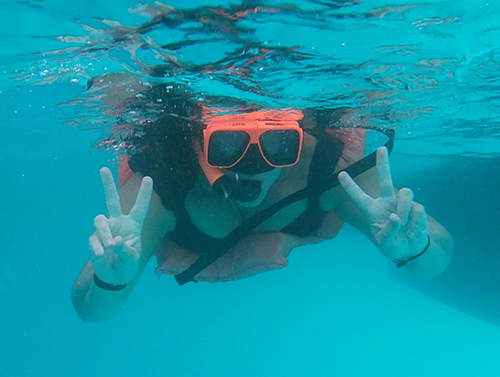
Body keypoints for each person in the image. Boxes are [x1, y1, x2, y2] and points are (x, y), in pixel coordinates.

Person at [72, 105, 453, 322]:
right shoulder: (160, 187)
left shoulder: (328, 170)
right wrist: (110, 278)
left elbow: (439, 255)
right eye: (228, 146)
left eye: (280, 144)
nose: (254, 164)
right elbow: (90, 309)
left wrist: (414, 248)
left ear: (299, 138)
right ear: (196, 141)